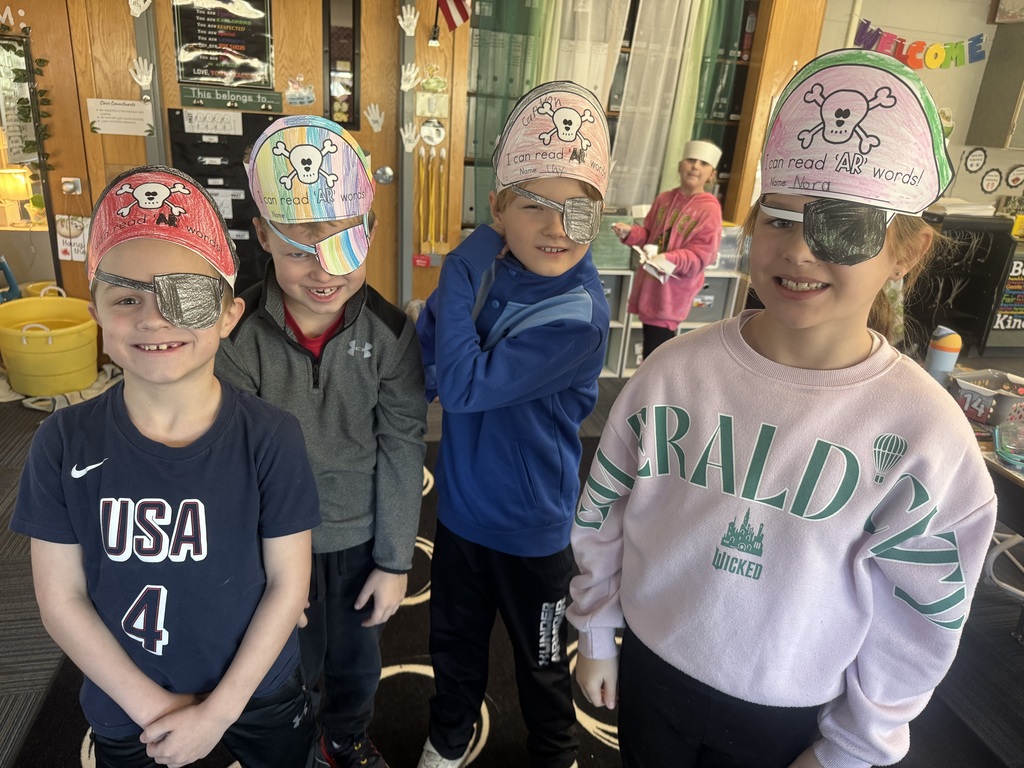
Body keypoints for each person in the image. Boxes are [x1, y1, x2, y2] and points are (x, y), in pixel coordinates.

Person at [568, 49, 998, 768]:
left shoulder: (926, 435)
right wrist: (593, 626)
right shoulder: (674, 371)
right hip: (650, 669)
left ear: (906, 251)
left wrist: (857, 744)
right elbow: (606, 504)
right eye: (779, 217)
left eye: (844, 227)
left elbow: (921, 616)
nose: (798, 250)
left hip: (794, 712)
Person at [10, 166, 321, 768]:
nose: (153, 318)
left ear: (228, 315)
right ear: (96, 313)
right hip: (127, 698)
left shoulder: (273, 437)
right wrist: (154, 709)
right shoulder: (60, 443)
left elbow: (289, 586)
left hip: (257, 687)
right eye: (126, 298)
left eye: (186, 294)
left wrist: (219, 712)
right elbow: (61, 601)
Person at [216, 115, 427, 768]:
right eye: (300, 249)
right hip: (276, 545)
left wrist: (395, 561)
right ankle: (299, 745)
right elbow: (231, 460)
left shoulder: (391, 335)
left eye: (343, 246)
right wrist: (256, 562)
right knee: (283, 665)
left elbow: (402, 446)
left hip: (359, 540)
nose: (324, 271)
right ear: (263, 240)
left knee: (357, 664)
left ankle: (347, 740)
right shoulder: (239, 336)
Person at [414, 80, 612, 768]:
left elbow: (463, 388)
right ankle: (447, 736)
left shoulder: (580, 314)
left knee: (541, 660)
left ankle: (555, 752)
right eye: (536, 205)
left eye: (578, 211)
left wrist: (461, 265)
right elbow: (431, 368)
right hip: (462, 514)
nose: (559, 227)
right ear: (499, 209)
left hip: (533, 530)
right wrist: (455, 299)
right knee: (453, 646)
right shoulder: (492, 273)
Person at [614, 139, 723, 359]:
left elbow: (702, 255)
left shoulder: (709, 209)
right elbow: (648, 234)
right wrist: (630, 234)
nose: (695, 166)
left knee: (656, 353)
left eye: (703, 163)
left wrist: (668, 258)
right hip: (649, 287)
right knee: (650, 350)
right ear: (680, 166)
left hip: (671, 295)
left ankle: (651, 390)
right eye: (691, 160)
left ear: (711, 174)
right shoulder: (664, 199)